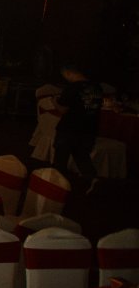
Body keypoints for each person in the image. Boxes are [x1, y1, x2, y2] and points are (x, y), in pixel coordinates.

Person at [54, 62, 103, 192]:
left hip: (69, 128)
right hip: (89, 128)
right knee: (82, 156)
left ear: (68, 73)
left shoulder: (72, 88)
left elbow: (63, 109)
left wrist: (54, 101)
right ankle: (92, 179)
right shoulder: (96, 87)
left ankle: (57, 185)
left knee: (61, 158)